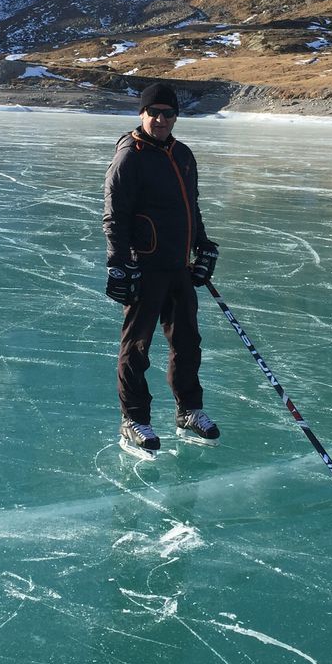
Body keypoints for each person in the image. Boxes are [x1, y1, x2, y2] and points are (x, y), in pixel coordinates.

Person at [102, 83, 220, 456]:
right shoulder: (130, 157)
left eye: (168, 113)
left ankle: (189, 410)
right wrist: (120, 265)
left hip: (178, 266)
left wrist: (202, 246)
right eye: (154, 112)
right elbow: (114, 216)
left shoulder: (183, 154)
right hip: (145, 267)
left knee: (187, 344)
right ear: (142, 114)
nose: (161, 119)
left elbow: (191, 207)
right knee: (137, 346)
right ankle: (134, 418)